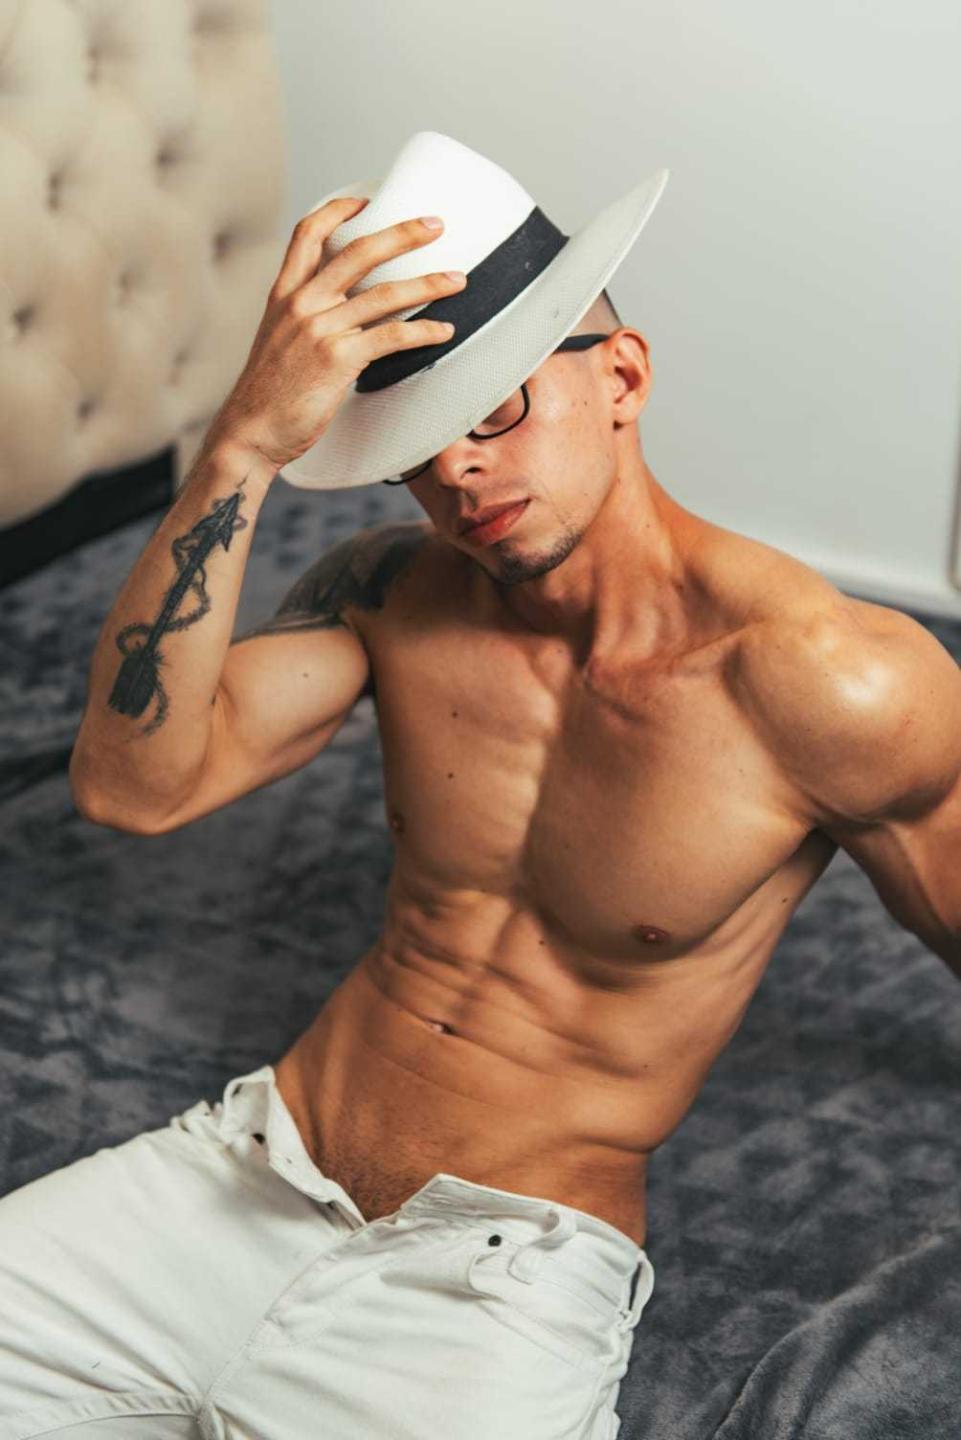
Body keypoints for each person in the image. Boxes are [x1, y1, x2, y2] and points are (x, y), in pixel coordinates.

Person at [4, 156, 961, 1440]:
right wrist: (241, 446)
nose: (455, 469)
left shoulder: (828, 680)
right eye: (411, 445)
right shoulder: (388, 593)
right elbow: (133, 789)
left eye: (496, 408)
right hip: (231, 1178)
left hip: (490, 1283)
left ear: (620, 378)